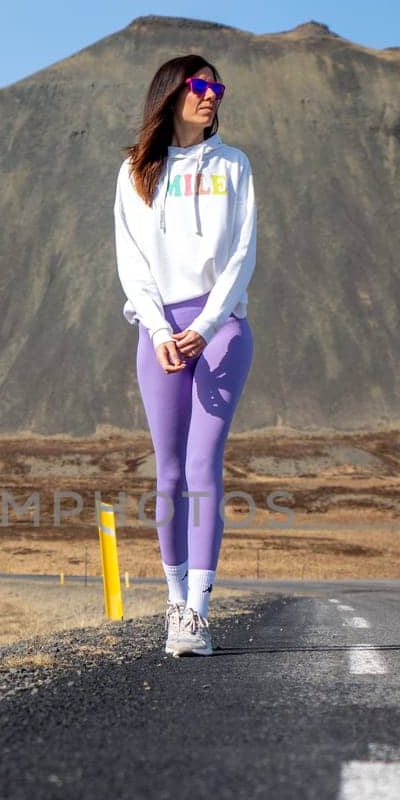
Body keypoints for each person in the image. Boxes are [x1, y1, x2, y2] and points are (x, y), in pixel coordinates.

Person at [113, 54, 256, 657]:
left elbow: (243, 254)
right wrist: (159, 328)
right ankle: (174, 602)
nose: (211, 95)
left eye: (217, 87)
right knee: (167, 472)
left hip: (220, 328)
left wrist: (203, 325)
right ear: (171, 94)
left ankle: (197, 614)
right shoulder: (135, 173)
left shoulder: (235, 165)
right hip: (158, 331)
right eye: (200, 86)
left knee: (203, 467)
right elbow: (132, 263)